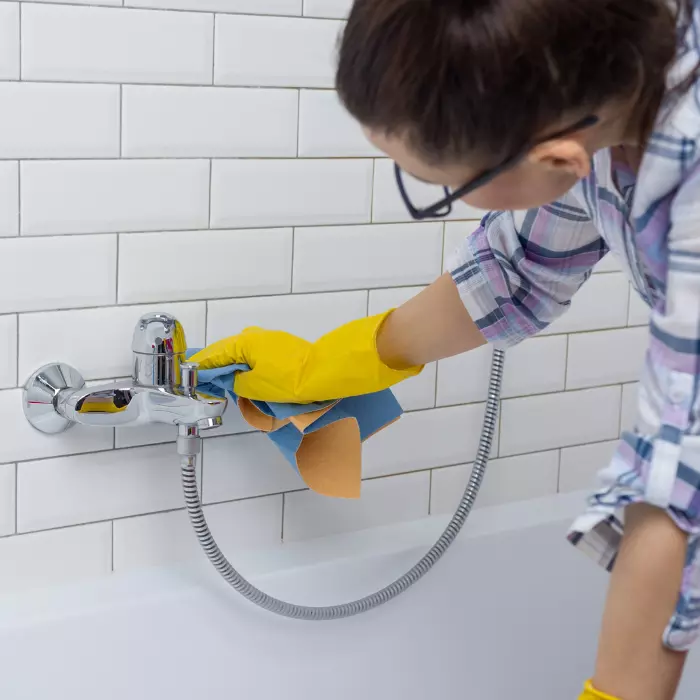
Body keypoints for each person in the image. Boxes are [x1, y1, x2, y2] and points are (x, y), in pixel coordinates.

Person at [191, 1, 700, 697]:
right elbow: (516, 271)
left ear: (555, 155)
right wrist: (334, 361)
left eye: (440, 188)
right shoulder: (590, 93)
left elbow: (682, 476)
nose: (439, 193)